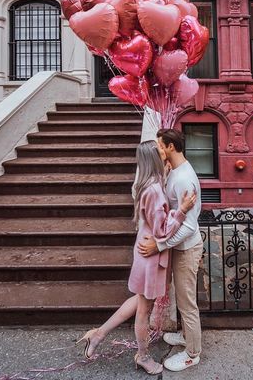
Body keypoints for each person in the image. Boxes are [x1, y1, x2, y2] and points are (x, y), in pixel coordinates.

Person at [76, 139, 197, 375]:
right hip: (151, 258)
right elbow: (162, 230)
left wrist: (166, 172)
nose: (164, 150)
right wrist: (181, 211)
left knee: (139, 301)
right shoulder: (153, 190)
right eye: (159, 149)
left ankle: (98, 334)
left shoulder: (152, 182)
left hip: (147, 253)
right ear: (154, 158)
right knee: (144, 311)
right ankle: (142, 357)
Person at [138, 128, 203, 372]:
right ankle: (187, 337)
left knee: (187, 303)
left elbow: (189, 226)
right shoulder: (175, 171)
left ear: (171, 148)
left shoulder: (184, 178)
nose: (158, 150)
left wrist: (160, 244)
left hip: (186, 248)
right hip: (180, 247)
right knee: (183, 299)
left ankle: (192, 353)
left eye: (160, 146)